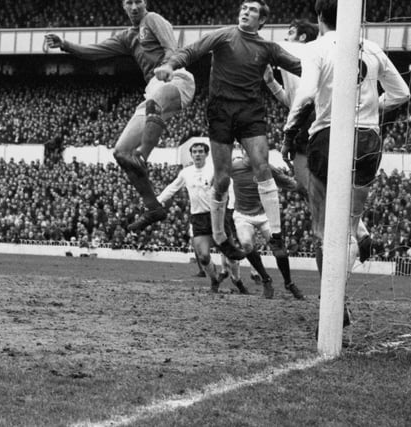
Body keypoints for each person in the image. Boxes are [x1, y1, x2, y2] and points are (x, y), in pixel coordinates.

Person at [284, 0, 410, 324]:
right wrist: (373, 110)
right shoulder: (371, 47)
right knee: (351, 227)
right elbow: (402, 94)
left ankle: (331, 308)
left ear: (319, 16)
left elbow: (308, 92)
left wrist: (289, 130)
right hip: (368, 138)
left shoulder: (317, 48)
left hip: (327, 137)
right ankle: (339, 297)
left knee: (324, 227)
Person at [154, 0, 301, 262]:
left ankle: (276, 236)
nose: (245, 11)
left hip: (250, 113)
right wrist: (170, 65)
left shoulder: (267, 48)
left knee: (262, 166)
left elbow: (300, 65)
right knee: (221, 179)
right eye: (244, 7)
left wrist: (338, 72)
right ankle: (220, 236)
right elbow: (191, 51)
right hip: (221, 111)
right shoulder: (224, 36)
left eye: (252, 10)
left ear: (262, 20)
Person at [45, 0, 195, 233]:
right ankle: (153, 207)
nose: (134, 6)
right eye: (129, 2)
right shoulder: (127, 36)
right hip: (153, 89)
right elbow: (94, 52)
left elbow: (171, 48)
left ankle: (143, 156)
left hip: (176, 78)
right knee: (121, 152)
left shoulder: (153, 19)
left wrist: (167, 66)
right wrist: (65, 44)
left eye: (138, 1)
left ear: (145, 3)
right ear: (123, 6)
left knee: (151, 114)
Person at [264, 18, 373, 263]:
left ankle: (350, 233)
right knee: (312, 187)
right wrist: (271, 83)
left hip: (310, 120)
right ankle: (359, 230)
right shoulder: (302, 61)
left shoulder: (297, 49)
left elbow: (267, 46)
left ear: (302, 37)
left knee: (312, 189)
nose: (286, 36)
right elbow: (291, 100)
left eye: (290, 32)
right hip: (310, 117)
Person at [156, 141, 250, 293]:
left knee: (230, 255)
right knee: (204, 256)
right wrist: (158, 200)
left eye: (201, 151)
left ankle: (237, 280)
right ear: (191, 155)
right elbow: (172, 187)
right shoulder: (185, 173)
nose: (197, 154)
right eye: (194, 152)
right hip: (198, 218)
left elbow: (229, 184)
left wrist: (231, 206)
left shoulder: (214, 169)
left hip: (217, 216)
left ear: (206, 154)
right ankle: (214, 280)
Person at [230, 145, 305, 300]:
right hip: (243, 215)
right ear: (244, 152)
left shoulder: (267, 168)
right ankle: (265, 279)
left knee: (279, 249)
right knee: (246, 244)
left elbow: (290, 183)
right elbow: (218, 176)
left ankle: (289, 283)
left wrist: (305, 187)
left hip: (265, 215)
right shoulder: (234, 167)